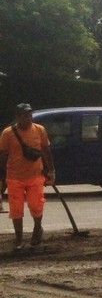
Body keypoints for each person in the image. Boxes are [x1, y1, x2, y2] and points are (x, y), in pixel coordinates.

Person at [0, 104, 55, 250]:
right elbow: (3, 155)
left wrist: (51, 170)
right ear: (17, 117)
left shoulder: (39, 130)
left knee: (36, 206)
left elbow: (46, 150)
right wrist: (2, 176)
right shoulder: (7, 133)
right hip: (14, 178)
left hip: (35, 176)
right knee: (16, 209)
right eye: (25, 115)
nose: (28, 118)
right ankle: (18, 239)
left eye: (30, 115)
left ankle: (37, 229)